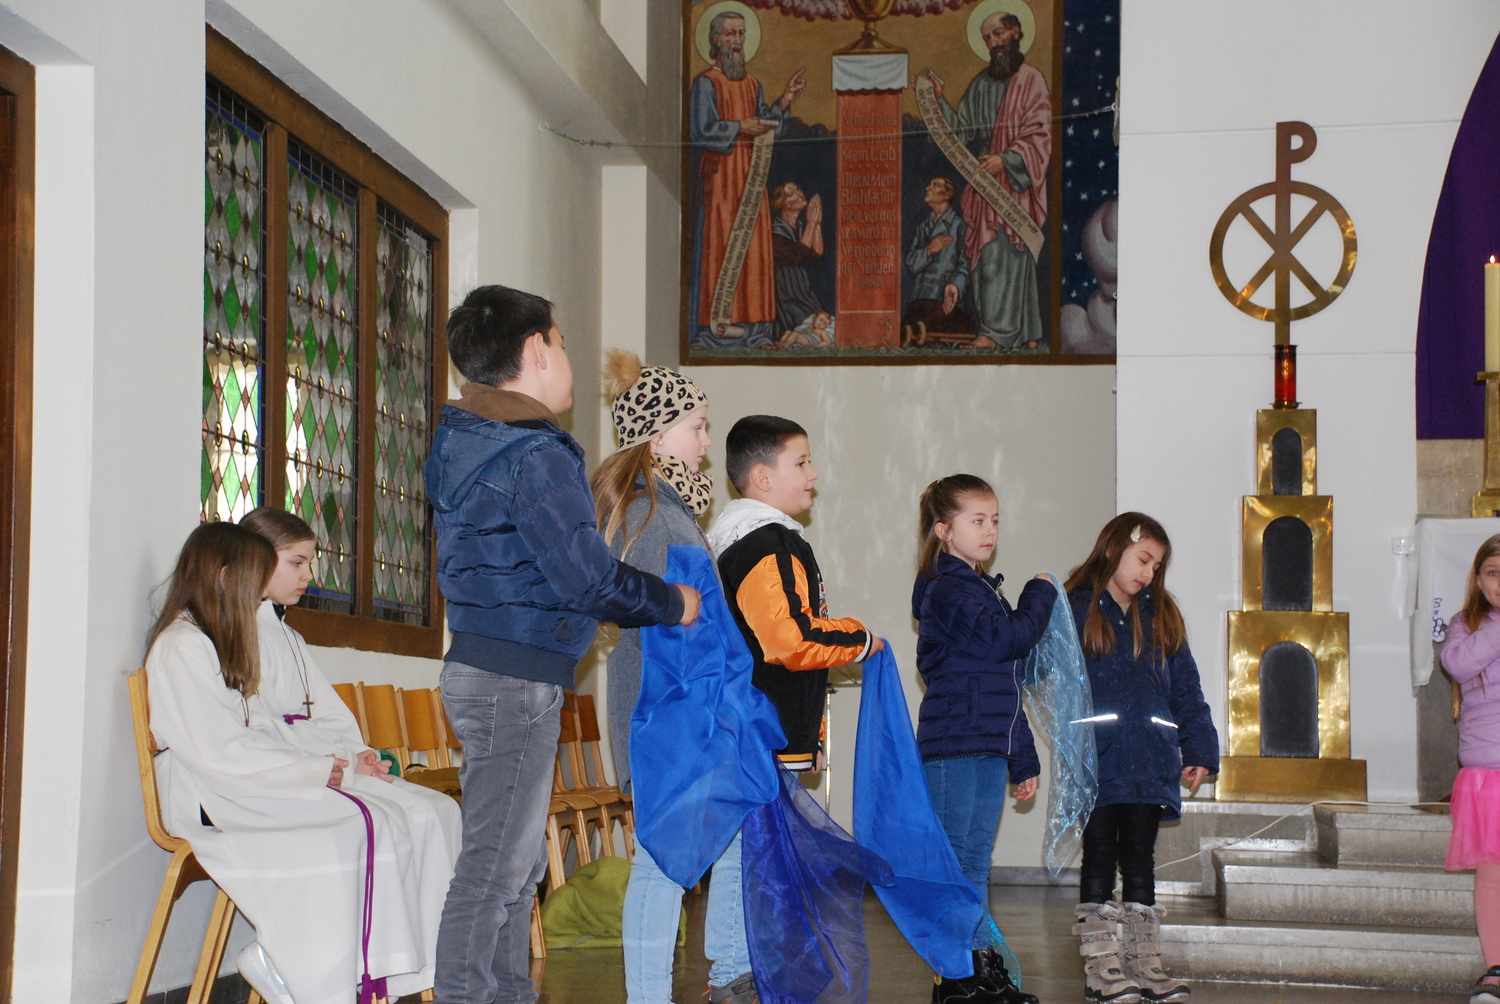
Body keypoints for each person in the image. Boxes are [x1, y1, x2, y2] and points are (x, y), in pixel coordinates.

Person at [425, 285, 701, 1004]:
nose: (569, 357)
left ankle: (505, 993)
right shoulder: (533, 453)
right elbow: (588, 577)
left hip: (488, 666)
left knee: (515, 866)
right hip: (513, 679)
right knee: (496, 865)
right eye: (563, 341)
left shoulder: (467, 442)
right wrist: (674, 602)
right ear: (537, 350)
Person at [144, 521, 461, 1004]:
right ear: (226, 578)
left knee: (378, 818)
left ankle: (365, 973)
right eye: (255, 581)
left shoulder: (214, 638)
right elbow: (219, 750)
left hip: (239, 781)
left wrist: (331, 762)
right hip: (208, 796)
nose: (259, 596)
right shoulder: (184, 644)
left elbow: (251, 735)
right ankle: (311, 973)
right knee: (359, 822)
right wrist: (312, 769)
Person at [589, 350, 756, 1004]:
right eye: (698, 426)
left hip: (690, 713)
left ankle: (729, 973)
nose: (707, 442)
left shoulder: (672, 508)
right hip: (663, 717)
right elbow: (654, 619)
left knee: (737, 825)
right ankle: (650, 995)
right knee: (660, 864)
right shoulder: (649, 512)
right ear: (658, 437)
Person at [1064, 514, 1219, 1004]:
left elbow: (1187, 688)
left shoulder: (1162, 615)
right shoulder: (1076, 609)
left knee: (1139, 859)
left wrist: (1199, 748)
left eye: (1157, 566)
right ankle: (1101, 967)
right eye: (1143, 559)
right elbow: (1045, 672)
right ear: (1114, 549)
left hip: (1151, 759)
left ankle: (1143, 963)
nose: (1149, 573)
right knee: (1099, 855)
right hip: (1099, 758)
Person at [912, 475, 1055, 1004]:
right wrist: (1039, 594)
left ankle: (977, 970)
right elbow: (1006, 641)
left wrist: (1022, 758)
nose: (989, 530)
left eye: (994, 520)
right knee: (955, 863)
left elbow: (1006, 685)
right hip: (953, 744)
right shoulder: (949, 589)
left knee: (974, 860)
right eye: (977, 520)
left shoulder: (979, 590)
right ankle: (952, 977)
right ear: (944, 531)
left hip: (988, 743)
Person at [706, 415, 882, 776]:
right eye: (801, 463)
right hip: (760, 740)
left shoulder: (757, 540)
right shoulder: (767, 543)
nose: (813, 474)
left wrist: (808, 736)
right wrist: (862, 640)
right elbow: (789, 640)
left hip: (759, 735)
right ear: (763, 477)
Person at [920, 11, 1051, 350]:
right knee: (987, 258)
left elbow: (1040, 134)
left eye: (999, 34)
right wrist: (939, 100)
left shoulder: (1032, 80)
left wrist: (1005, 159)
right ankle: (1020, 335)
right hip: (985, 186)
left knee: (1005, 257)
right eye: (988, 39)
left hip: (1013, 184)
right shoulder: (981, 84)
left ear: (1016, 32)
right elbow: (962, 133)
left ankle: (997, 333)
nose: (993, 43)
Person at [690, 10, 807, 340]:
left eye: (741, 34)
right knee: (722, 245)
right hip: (721, 180)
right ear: (716, 40)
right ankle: (714, 327)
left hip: (752, 178)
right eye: (730, 34)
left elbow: (768, 125)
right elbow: (701, 130)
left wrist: (785, 100)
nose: (737, 41)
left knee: (754, 250)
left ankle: (755, 329)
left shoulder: (753, 84)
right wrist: (740, 127)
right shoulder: (706, 82)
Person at [1438, 533, 1500, 1004]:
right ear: (1478, 580)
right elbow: (1458, 665)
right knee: (1493, 875)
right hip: (1488, 772)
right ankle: (1496, 968)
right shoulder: (1467, 625)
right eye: (1494, 573)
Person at [902, 178, 974, 345]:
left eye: (935, 185)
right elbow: (911, 264)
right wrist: (929, 250)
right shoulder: (923, 226)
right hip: (919, 297)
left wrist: (955, 285)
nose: (928, 188)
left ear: (947, 195)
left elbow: (967, 263)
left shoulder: (959, 225)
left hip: (943, 299)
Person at [768, 182, 831, 346]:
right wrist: (811, 224)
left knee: (822, 321)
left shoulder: (799, 226)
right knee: (806, 323)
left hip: (800, 285)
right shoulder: (776, 230)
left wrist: (816, 224)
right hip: (785, 287)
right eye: (792, 193)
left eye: (798, 189)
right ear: (784, 204)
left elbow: (816, 254)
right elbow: (797, 257)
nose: (799, 193)